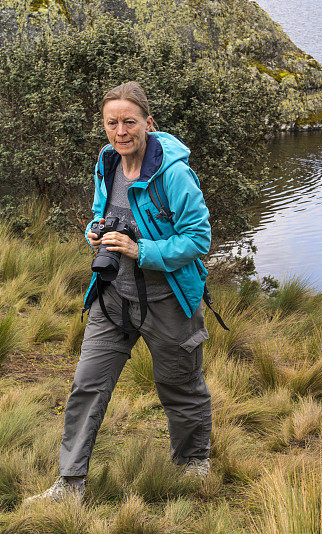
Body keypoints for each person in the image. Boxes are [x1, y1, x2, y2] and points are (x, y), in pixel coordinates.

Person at [25, 81, 214, 504]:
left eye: (129, 122)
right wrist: (95, 230)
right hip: (112, 297)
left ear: (148, 123)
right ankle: (69, 486)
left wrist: (140, 249)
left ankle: (193, 462)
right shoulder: (107, 161)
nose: (120, 131)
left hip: (167, 300)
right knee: (86, 385)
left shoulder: (174, 174)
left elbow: (198, 239)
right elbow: (100, 210)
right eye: (112, 123)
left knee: (179, 385)